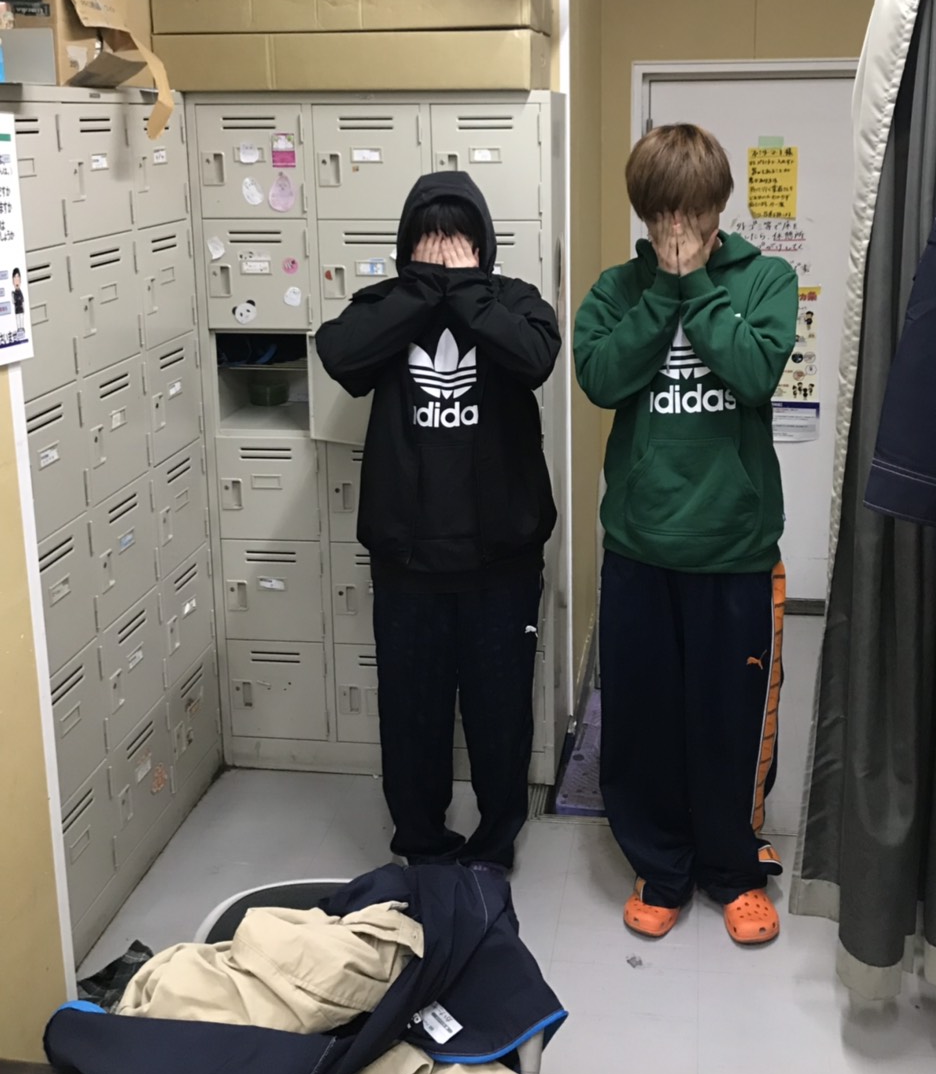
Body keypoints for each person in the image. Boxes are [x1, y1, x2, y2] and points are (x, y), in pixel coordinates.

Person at [574, 123, 797, 945]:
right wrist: (662, 295)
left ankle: (733, 869)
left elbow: (754, 373)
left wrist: (696, 285)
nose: (679, 231)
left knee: (729, 721)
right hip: (640, 547)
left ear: (717, 207)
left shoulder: (765, 279)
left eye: (693, 213)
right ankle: (661, 866)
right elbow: (601, 378)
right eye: (664, 215)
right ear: (645, 212)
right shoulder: (616, 289)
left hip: (733, 549)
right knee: (644, 720)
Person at [316, 173, 560, 874]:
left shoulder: (514, 301)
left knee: (500, 713)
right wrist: (424, 290)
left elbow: (535, 358)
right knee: (411, 713)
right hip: (408, 564)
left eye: (459, 239)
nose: (445, 253)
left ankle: (494, 845)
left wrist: (467, 290)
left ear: (483, 245)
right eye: (430, 239)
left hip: (501, 563)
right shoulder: (389, 306)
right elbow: (340, 354)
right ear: (408, 247)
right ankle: (421, 843)